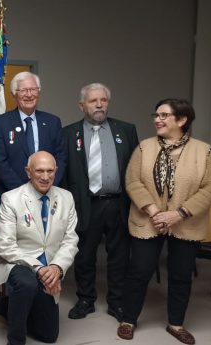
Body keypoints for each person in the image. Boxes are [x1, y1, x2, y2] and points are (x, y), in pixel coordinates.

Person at [117, 99, 211, 345]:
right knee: (139, 271)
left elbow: (208, 189)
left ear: (182, 120)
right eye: (156, 114)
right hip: (148, 220)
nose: (157, 119)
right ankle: (128, 320)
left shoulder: (204, 151)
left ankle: (176, 323)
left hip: (186, 222)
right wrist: (155, 213)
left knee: (181, 275)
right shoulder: (144, 147)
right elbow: (133, 181)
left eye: (164, 115)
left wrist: (178, 214)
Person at [0, 151, 79, 345]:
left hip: (50, 268)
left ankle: (2, 304)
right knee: (27, 284)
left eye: (50, 171)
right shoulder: (11, 199)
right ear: (28, 172)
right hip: (17, 263)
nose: (45, 176)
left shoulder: (67, 198)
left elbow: (70, 240)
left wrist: (57, 268)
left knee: (49, 336)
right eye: (39, 171)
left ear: (56, 171)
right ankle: (15, 340)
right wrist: (39, 268)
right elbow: (5, 246)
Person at [61, 83, 138, 321]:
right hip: (85, 203)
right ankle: (86, 299)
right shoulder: (68, 133)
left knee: (119, 255)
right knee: (84, 255)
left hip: (118, 203)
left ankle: (116, 302)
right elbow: (63, 173)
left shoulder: (125, 130)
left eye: (103, 100)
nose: (99, 105)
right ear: (82, 105)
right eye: (93, 101)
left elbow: (136, 169)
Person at [0, 72, 66, 209]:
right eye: (23, 90)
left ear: (39, 92)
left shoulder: (53, 122)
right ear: (14, 94)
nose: (29, 95)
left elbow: (61, 157)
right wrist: (25, 193)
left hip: (47, 197)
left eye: (33, 89)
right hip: (11, 197)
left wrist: (47, 187)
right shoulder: (0, 123)